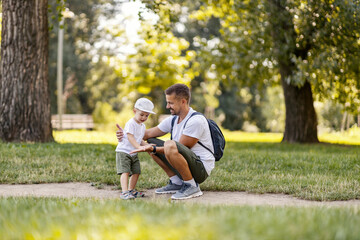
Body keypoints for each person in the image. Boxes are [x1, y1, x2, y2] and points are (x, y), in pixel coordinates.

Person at [117, 84, 215, 200]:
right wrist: (125, 134)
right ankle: (177, 182)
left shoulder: (196, 121)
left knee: (168, 144)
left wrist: (151, 148)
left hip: (200, 169)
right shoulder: (173, 119)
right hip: (185, 163)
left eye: (171, 103)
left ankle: (192, 186)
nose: (167, 106)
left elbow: (179, 148)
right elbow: (146, 134)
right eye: (167, 102)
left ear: (183, 102)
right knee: (152, 141)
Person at [115, 97, 156, 200]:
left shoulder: (142, 126)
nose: (143, 117)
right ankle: (124, 192)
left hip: (134, 152)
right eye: (141, 114)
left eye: (146, 115)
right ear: (134, 111)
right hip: (124, 151)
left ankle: (131, 190)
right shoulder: (131, 123)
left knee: (136, 171)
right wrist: (139, 147)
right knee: (125, 171)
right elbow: (130, 137)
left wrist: (145, 145)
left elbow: (139, 139)